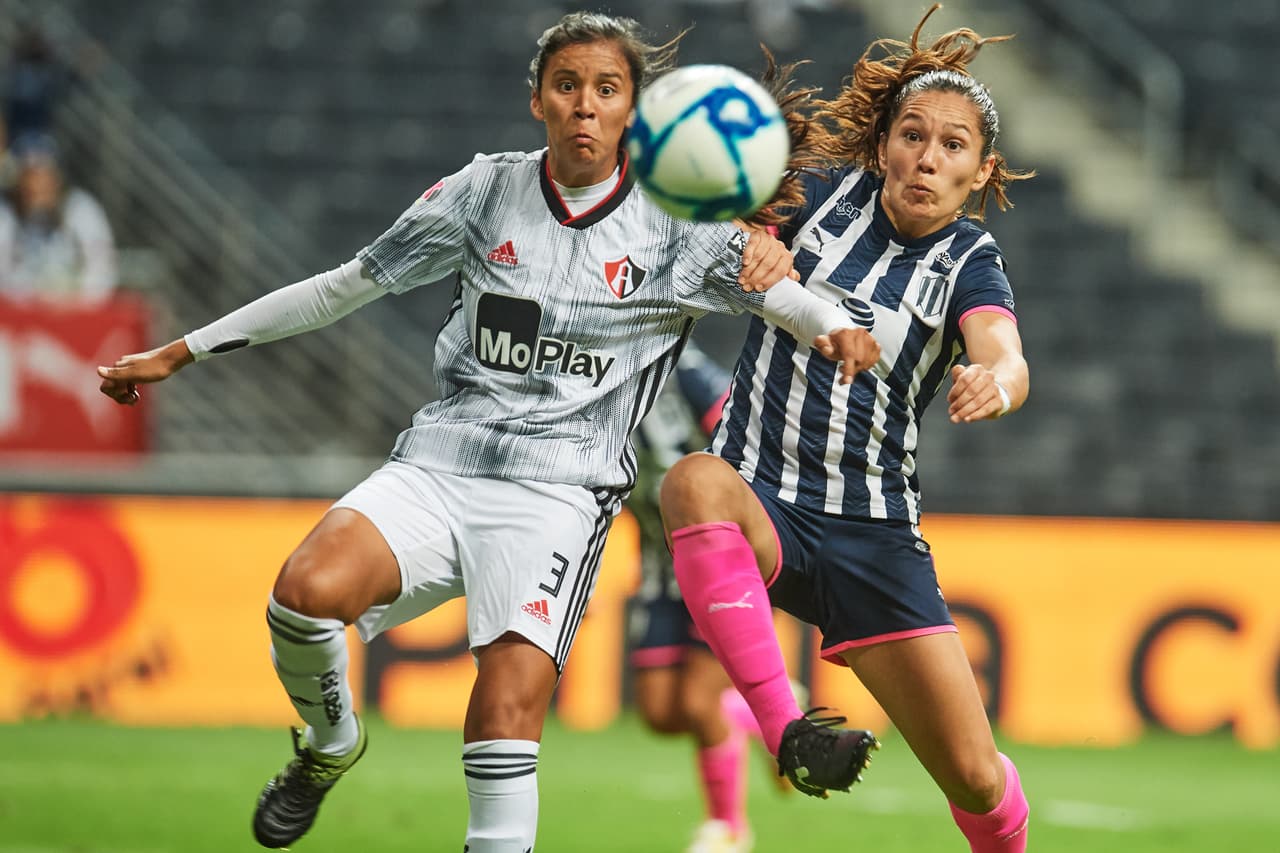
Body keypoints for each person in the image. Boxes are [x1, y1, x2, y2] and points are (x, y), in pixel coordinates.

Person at [96, 12, 881, 852]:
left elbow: (799, 306)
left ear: (633, 111)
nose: (585, 105)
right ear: (538, 100)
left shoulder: (681, 231)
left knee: (502, 714)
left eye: (606, 89)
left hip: (560, 495)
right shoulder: (483, 191)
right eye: (567, 86)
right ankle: (330, 744)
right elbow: (341, 287)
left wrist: (839, 329)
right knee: (301, 595)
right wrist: (182, 349)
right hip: (442, 462)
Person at [659, 5, 1034, 851]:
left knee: (975, 776)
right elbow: (711, 229)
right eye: (913, 135)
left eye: (952, 145)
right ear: (883, 144)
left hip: (874, 536)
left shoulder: (970, 260)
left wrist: (996, 382)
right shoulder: (819, 197)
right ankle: (787, 729)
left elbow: (1004, 351)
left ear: (980, 170)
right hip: (761, 500)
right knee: (692, 480)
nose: (927, 158)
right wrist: (750, 240)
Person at [627, 339, 802, 853]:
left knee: (699, 701)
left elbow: (752, 431)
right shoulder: (582, 380)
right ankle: (766, 714)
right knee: (660, 712)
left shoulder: (678, 367)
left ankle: (728, 827)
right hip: (659, 567)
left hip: (720, 555)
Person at [0, 133, 118, 302]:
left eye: (43, 175)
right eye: (29, 175)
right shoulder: (5, 211)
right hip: (19, 309)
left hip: (74, 307)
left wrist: (76, 301)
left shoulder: (80, 207)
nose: (36, 184)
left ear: (56, 177)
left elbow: (102, 266)